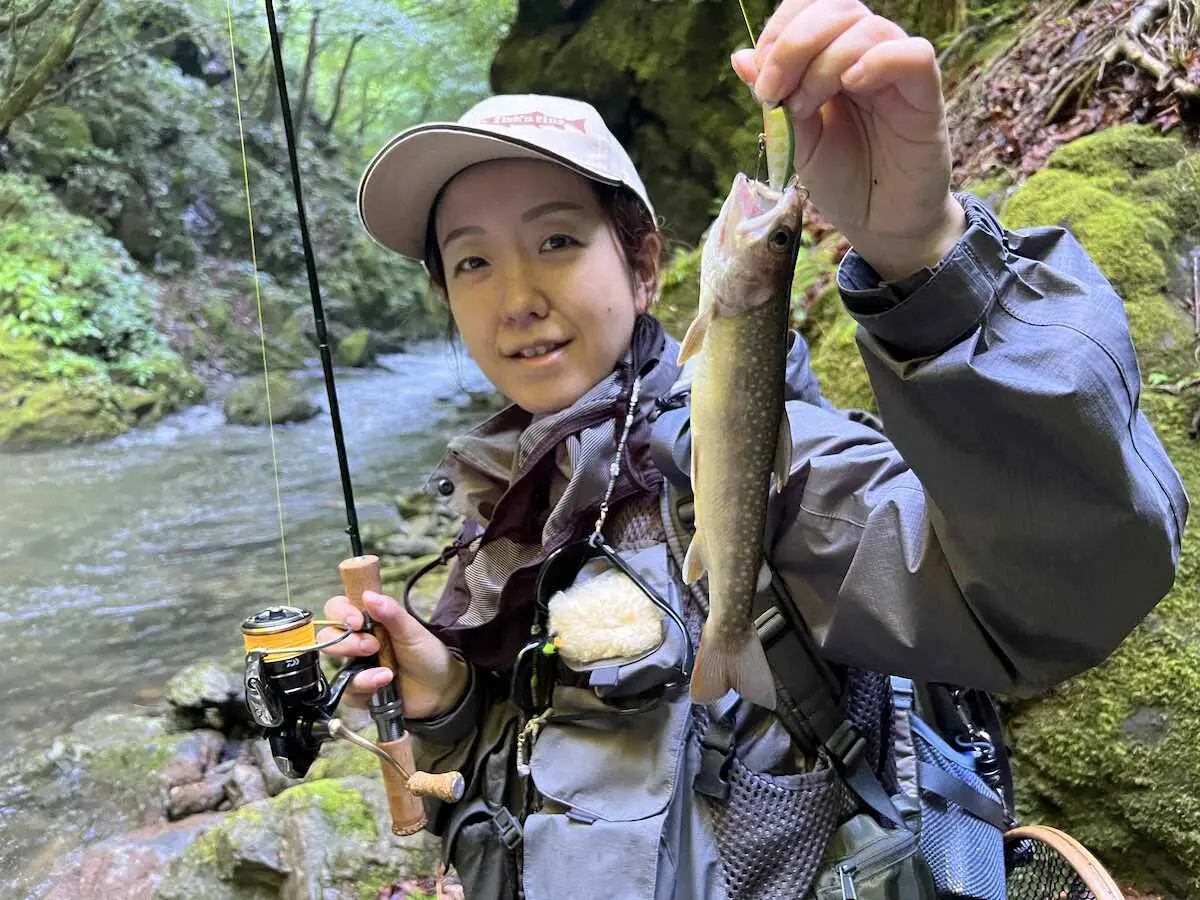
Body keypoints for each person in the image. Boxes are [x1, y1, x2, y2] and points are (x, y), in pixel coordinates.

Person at [322, 2, 1187, 897]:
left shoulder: (748, 453)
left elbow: (1057, 590)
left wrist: (928, 257)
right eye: (471, 262)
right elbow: (534, 795)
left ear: (646, 263)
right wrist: (448, 698)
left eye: (557, 241)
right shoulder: (515, 495)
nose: (517, 297)